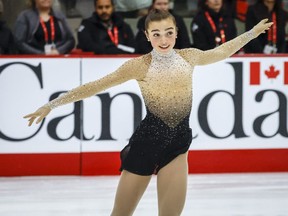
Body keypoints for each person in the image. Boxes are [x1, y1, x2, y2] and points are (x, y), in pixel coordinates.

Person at [24, 9, 272, 216]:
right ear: (147, 36)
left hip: (178, 145)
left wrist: (251, 33)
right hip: (146, 144)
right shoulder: (138, 66)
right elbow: (95, 86)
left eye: (168, 33)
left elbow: (220, 52)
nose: (163, 40)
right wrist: (52, 104)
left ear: (176, 32)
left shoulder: (189, 57)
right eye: (156, 34)